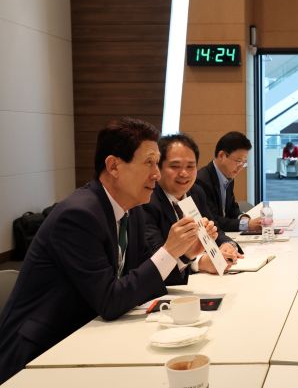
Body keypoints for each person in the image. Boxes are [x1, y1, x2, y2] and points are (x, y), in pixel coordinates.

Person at [0, 118, 207, 384]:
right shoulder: (78, 215)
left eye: (157, 163)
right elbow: (110, 300)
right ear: (113, 166)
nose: (157, 174)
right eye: (149, 163)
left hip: (88, 337)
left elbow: (141, 277)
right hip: (40, 354)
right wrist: (169, 251)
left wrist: (184, 254)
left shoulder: (132, 211)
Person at [143, 133, 244, 274]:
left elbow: (214, 228)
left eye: (190, 166)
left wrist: (227, 244)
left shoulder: (195, 192)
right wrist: (199, 263)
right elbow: (154, 260)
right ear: (158, 167)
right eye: (175, 166)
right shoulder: (147, 201)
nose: (184, 173)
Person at [196, 131, 261, 232]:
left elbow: (232, 208)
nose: (240, 167)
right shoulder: (202, 181)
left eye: (244, 163)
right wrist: (246, 225)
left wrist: (243, 217)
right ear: (222, 155)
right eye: (238, 161)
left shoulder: (227, 176)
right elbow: (212, 220)